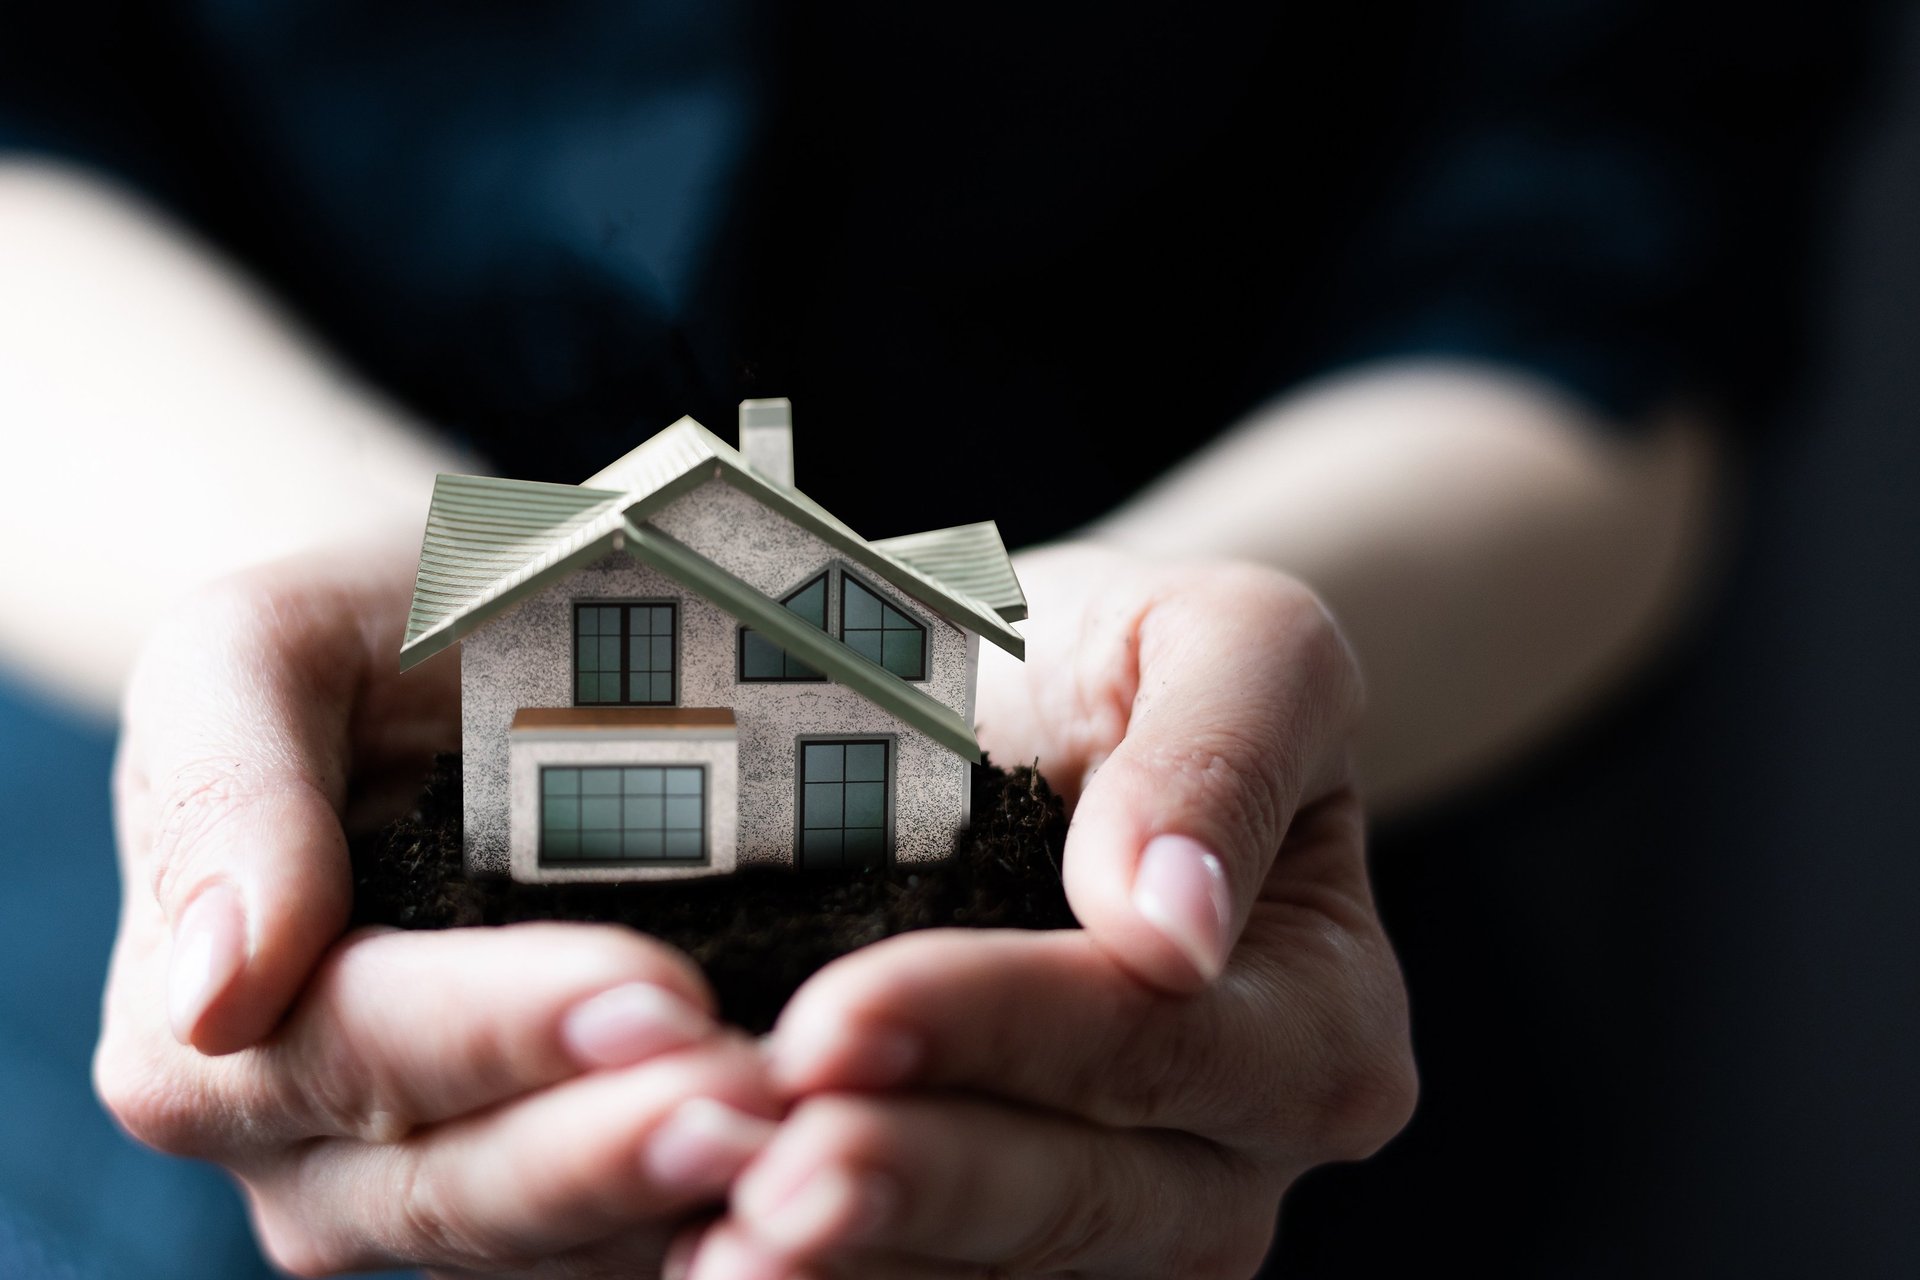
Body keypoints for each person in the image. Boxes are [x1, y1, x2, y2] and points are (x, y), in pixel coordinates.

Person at [0, 2, 1882, 1276]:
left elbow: (1589, 285)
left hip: (1246, 1024)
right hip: (139, 1021)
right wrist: (400, 601)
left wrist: (1180, 689)